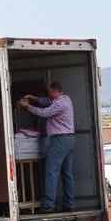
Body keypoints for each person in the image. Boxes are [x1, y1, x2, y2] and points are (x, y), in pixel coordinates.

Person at [19, 82, 75, 213]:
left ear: (55, 91)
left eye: (49, 92)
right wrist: (34, 98)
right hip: (69, 139)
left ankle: (48, 205)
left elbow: (45, 113)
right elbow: (47, 102)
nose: (48, 95)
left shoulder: (59, 104)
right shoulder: (65, 99)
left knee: (51, 172)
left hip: (59, 140)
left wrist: (28, 107)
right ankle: (69, 204)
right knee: (67, 174)